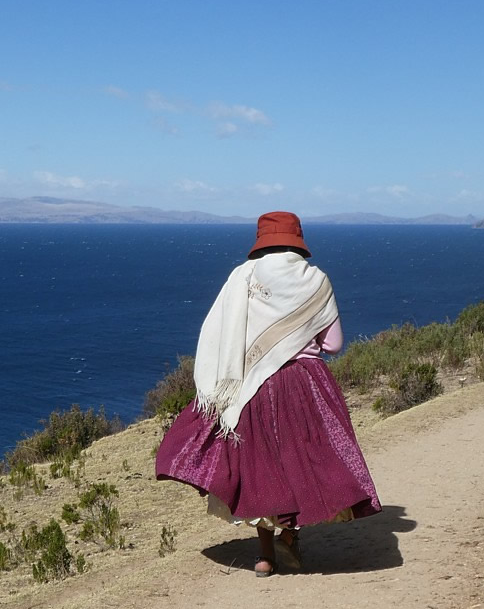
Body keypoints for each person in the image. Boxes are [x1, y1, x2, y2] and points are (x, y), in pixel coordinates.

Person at [155, 211, 382, 576]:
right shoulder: (316, 280)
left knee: (260, 467)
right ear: (298, 239)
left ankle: (265, 556)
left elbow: (220, 333)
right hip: (305, 383)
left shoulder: (242, 276)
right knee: (303, 461)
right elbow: (335, 344)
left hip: (252, 385)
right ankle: (291, 535)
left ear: (261, 240)